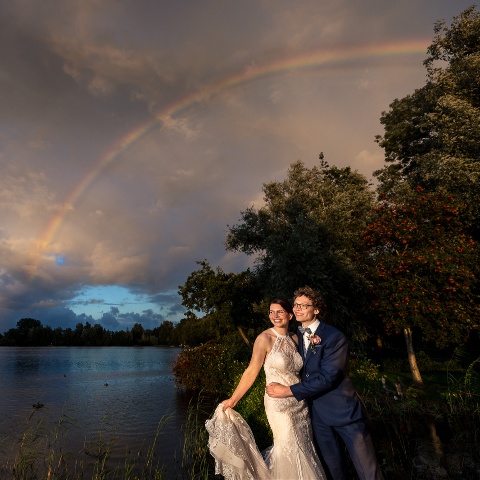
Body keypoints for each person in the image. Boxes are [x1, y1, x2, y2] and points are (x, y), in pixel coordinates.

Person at [266, 286, 384, 480]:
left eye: (304, 305)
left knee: (368, 472)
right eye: (296, 304)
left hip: (345, 414)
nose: (297, 309)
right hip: (316, 416)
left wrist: (288, 390)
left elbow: (328, 377)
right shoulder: (296, 335)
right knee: (333, 472)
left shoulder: (334, 337)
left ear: (317, 310)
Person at [206, 298, 326, 480]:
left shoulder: (295, 338)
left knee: (304, 445)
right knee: (289, 445)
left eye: (279, 312)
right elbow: (251, 371)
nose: (275, 316)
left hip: (299, 402)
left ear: (290, 315)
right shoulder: (264, 339)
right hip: (278, 404)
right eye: (271, 312)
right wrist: (233, 399)